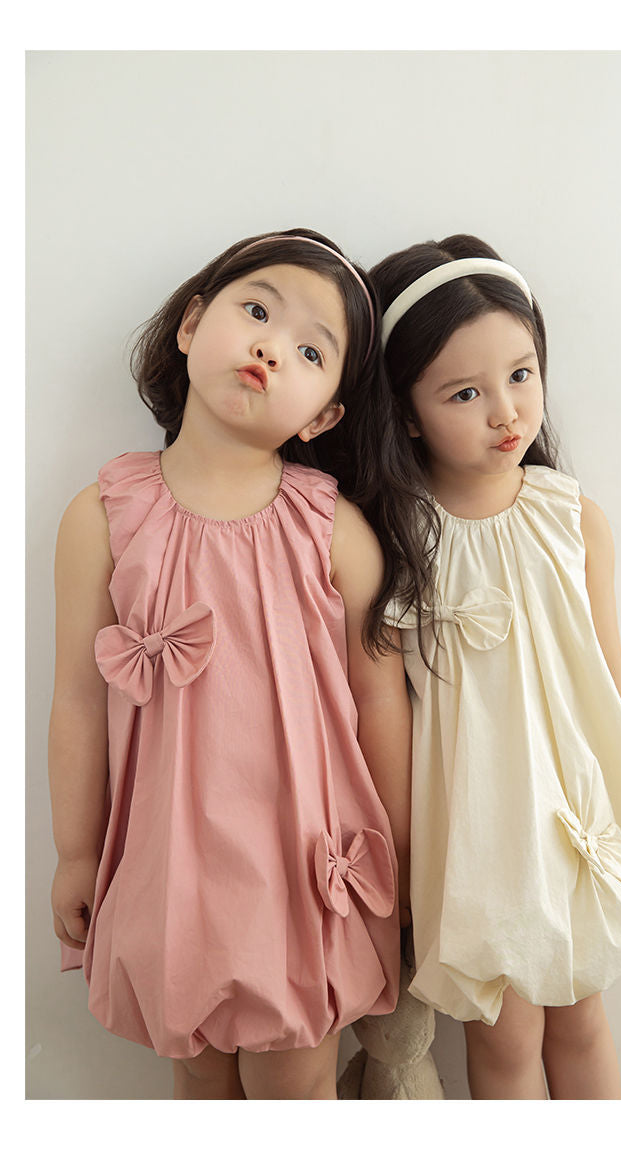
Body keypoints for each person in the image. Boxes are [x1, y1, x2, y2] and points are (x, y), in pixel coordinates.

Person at [48, 228, 427, 1100]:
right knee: (199, 1077)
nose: (270, 348)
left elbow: (381, 700)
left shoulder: (332, 530)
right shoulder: (102, 516)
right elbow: (75, 698)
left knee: (295, 1080)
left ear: (324, 415)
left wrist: (403, 854)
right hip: (168, 860)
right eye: (256, 311)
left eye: (310, 351)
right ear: (191, 325)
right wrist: (74, 851)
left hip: (297, 864)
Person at [366, 234, 621, 1100]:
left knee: (583, 1016)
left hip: (576, 813)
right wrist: (399, 849)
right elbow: (384, 712)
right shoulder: (400, 542)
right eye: (465, 392)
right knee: (507, 1036)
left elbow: (609, 677)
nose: (506, 411)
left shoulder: (571, 518)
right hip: (476, 831)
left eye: (521, 374)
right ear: (407, 413)